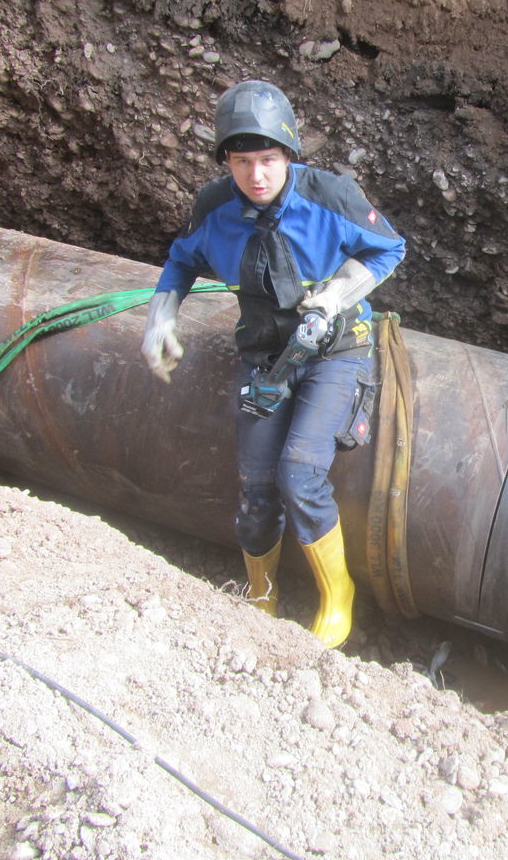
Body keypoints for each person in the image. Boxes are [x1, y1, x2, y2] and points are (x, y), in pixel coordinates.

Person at [140, 79, 405, 649]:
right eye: (242, 162)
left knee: (299, 473)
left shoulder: (331, 197)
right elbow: (181, 260)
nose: (256, 175)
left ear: (288, 154)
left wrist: (335, 295)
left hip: (335, 350)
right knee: (257, 487)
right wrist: (161, 317)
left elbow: (390, 247)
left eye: (267, 159)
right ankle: (261, 593)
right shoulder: (215, 209)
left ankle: (338, 596)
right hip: (265, 355)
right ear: (226, 162)